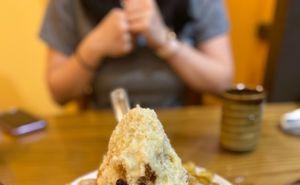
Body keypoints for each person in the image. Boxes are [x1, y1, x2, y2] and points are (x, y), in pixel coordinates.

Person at [40, 0, 234, 108]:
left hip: (179, 127)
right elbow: (59, 92)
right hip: (101, 126)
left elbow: (222, 81)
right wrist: (94, 46)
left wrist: (165, 42)